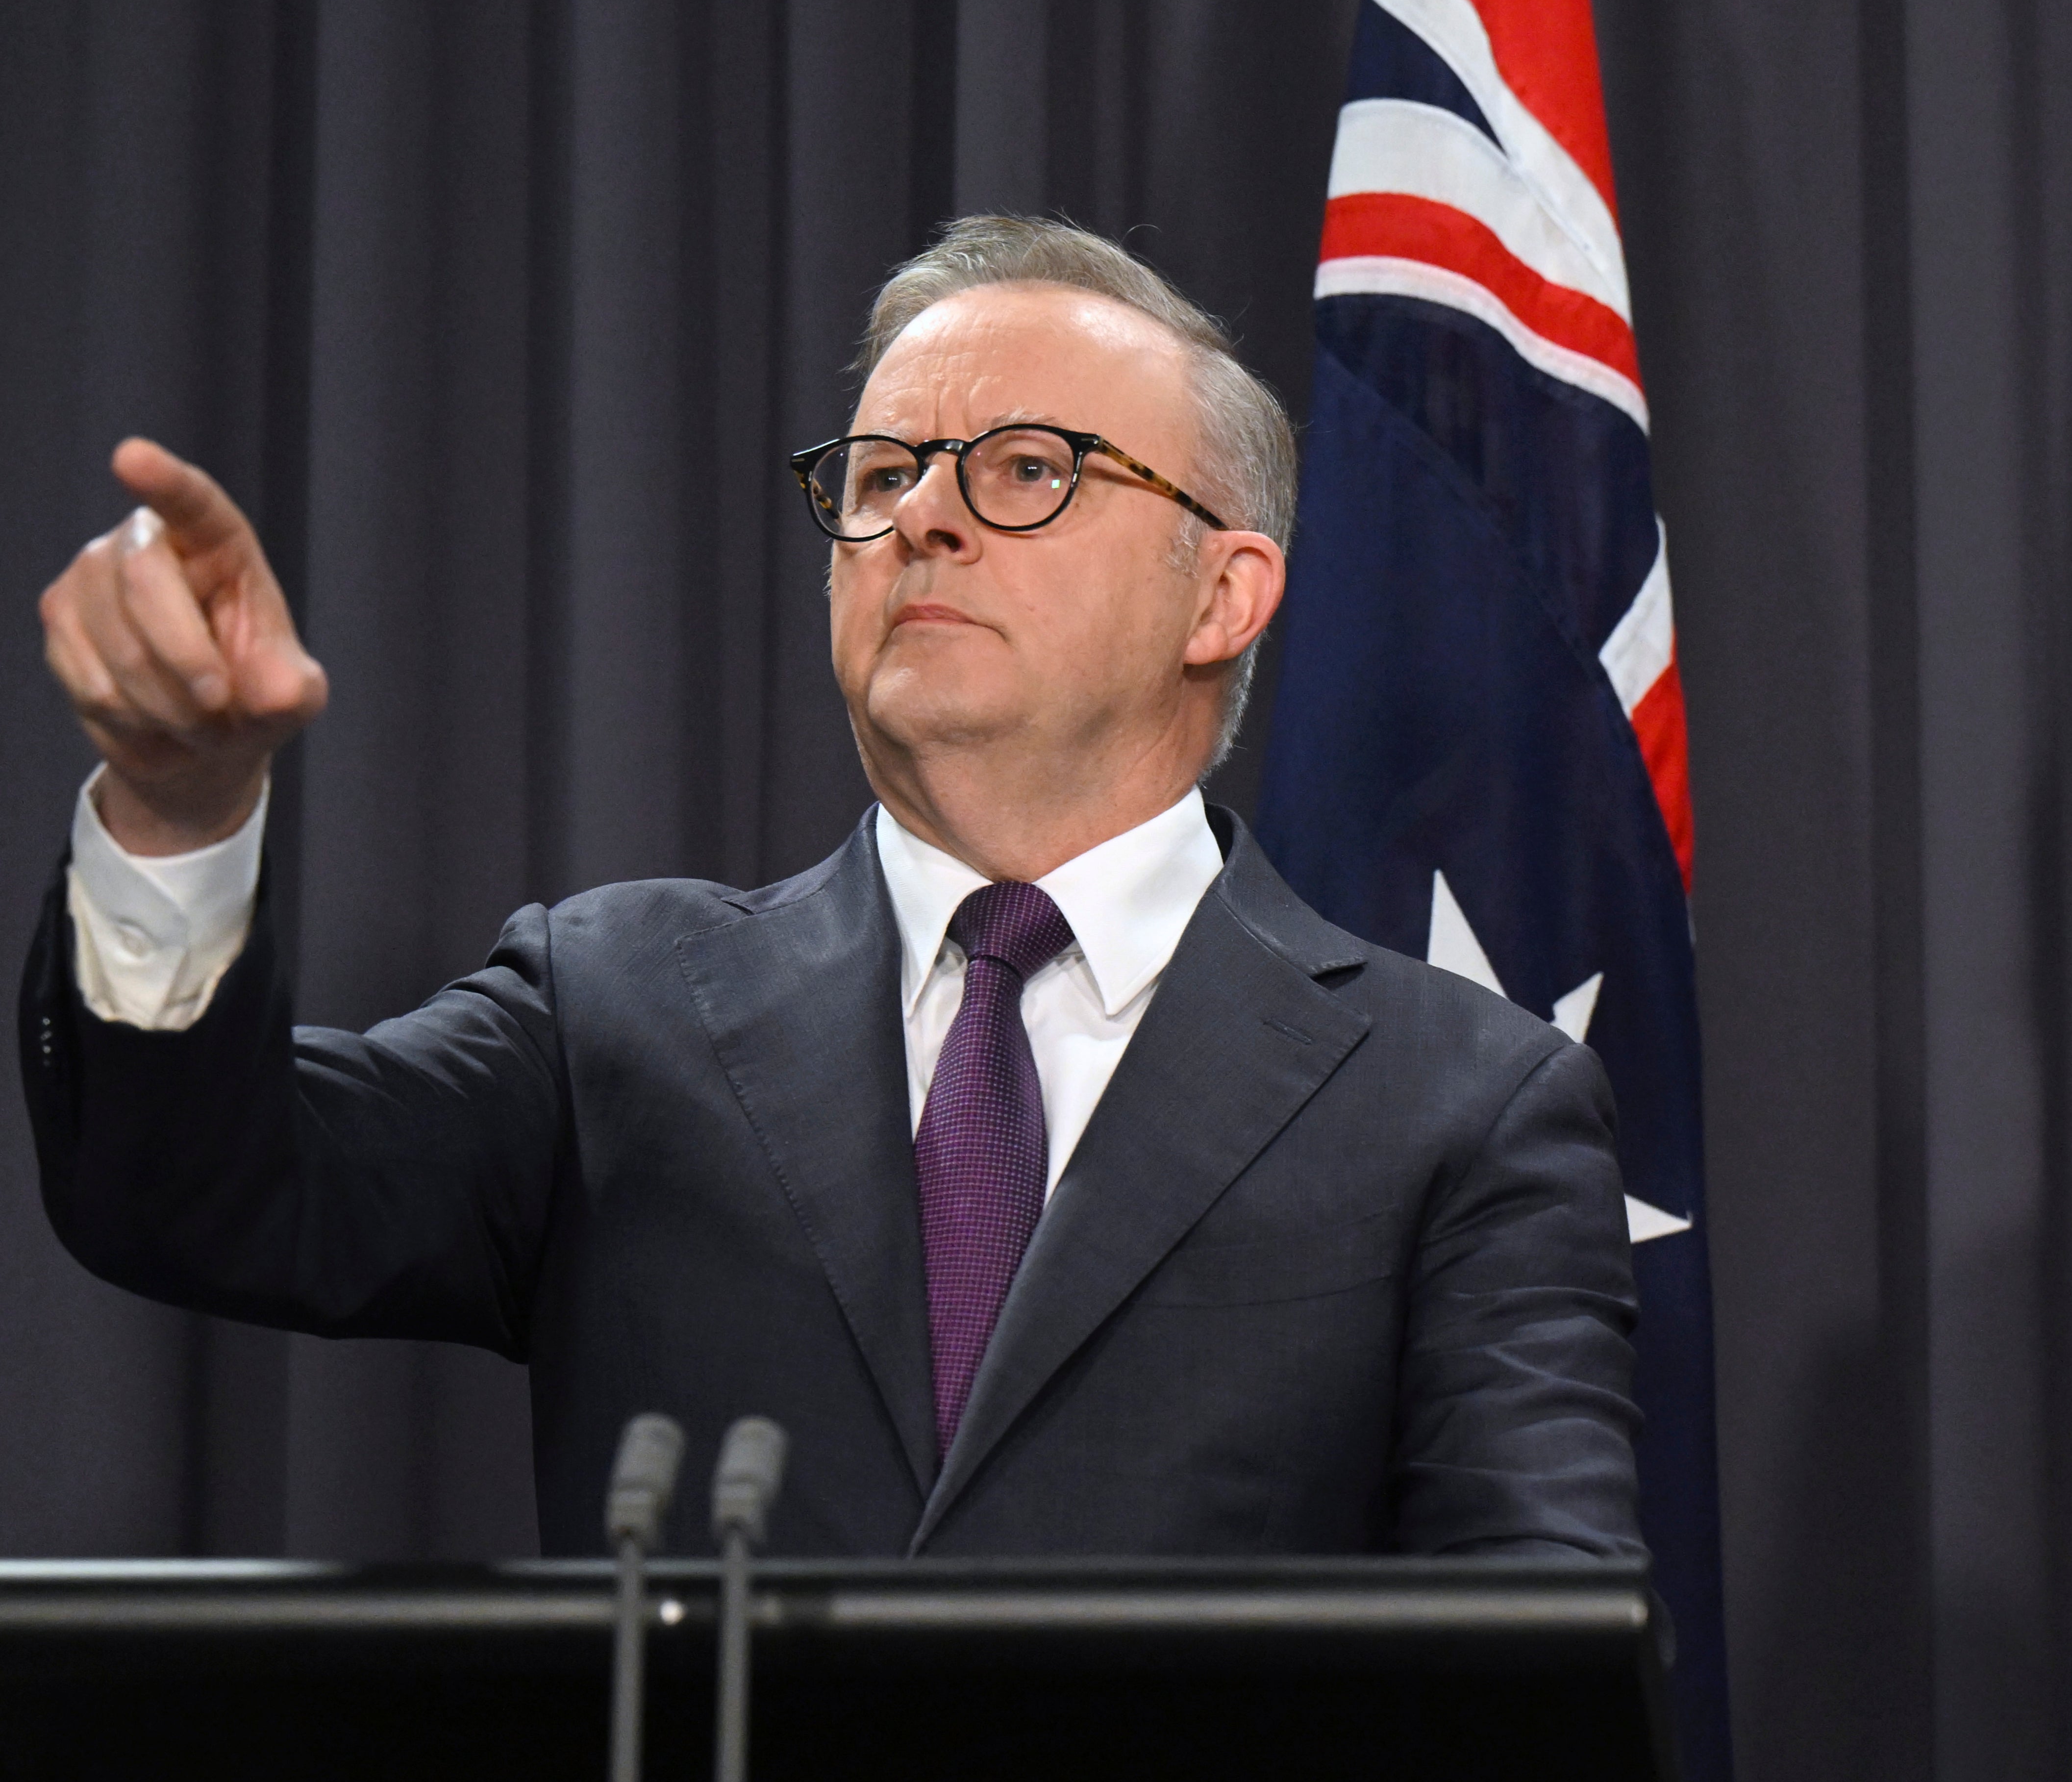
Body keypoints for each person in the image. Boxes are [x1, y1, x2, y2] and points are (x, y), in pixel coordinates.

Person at [22, 215, 1640, 1562]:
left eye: (1026, 470)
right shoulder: (618, 1010)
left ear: (1222, 594)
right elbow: (197, 1190)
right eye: (876, 480)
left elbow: (1534, 1665)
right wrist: (180, 804)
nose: (920, 518)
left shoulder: (1457, 1109)